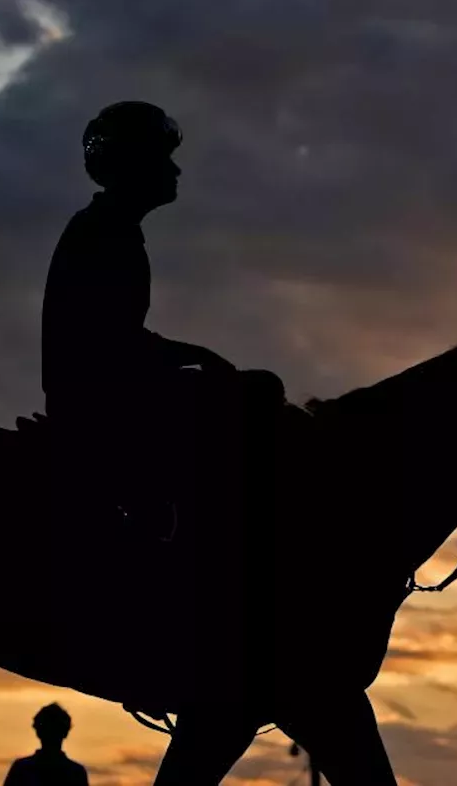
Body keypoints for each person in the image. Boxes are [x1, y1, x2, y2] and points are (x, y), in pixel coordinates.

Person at [39, 100, 285, 534]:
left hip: (99, 390)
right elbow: (109, 340)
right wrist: (197, 354)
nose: (176, 172)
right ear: (135, 163)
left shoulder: (108, 227)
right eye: (163, 159)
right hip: (101, 398)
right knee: (258, 393)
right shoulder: (105, 231)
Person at [3, 704, 88, 786]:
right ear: (65, 732)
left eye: (55, 729)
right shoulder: (75, 772)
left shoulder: (22, 769)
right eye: (48, 729)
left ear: (38, 731)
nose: (51, 734)